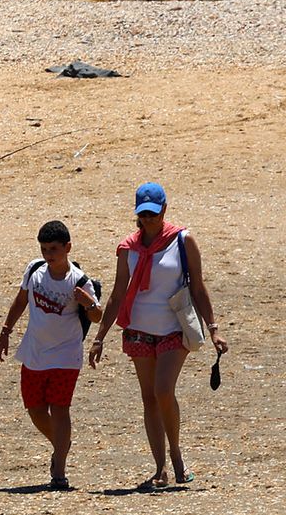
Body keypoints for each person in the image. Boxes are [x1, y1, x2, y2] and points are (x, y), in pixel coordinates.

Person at [89, 183, 229, 491]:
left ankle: (176, 454)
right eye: (143, 214)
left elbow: (198, 288)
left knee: (163, 390)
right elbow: (117, 294)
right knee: (149, 397)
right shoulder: (128, 248)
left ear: (164, 209)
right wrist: (100, 336)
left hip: (173, 328)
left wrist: (213, 327)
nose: (148, 219)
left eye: (153, 213)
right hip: (138, 329)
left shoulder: (182, 240)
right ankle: (160, 467)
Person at [0, 220, 103, 490]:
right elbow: (21, 300)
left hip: (66, 355)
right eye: (44, 249)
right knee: (34, 409)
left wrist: (88, 303)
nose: (48, 255)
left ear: (67, 248)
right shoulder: (34, 270)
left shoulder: (79, 280)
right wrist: (6, 330)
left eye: (53, 249)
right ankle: (62, 444)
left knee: (59, 409)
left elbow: (97, 315)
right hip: (34, 352)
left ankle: (60, 470)